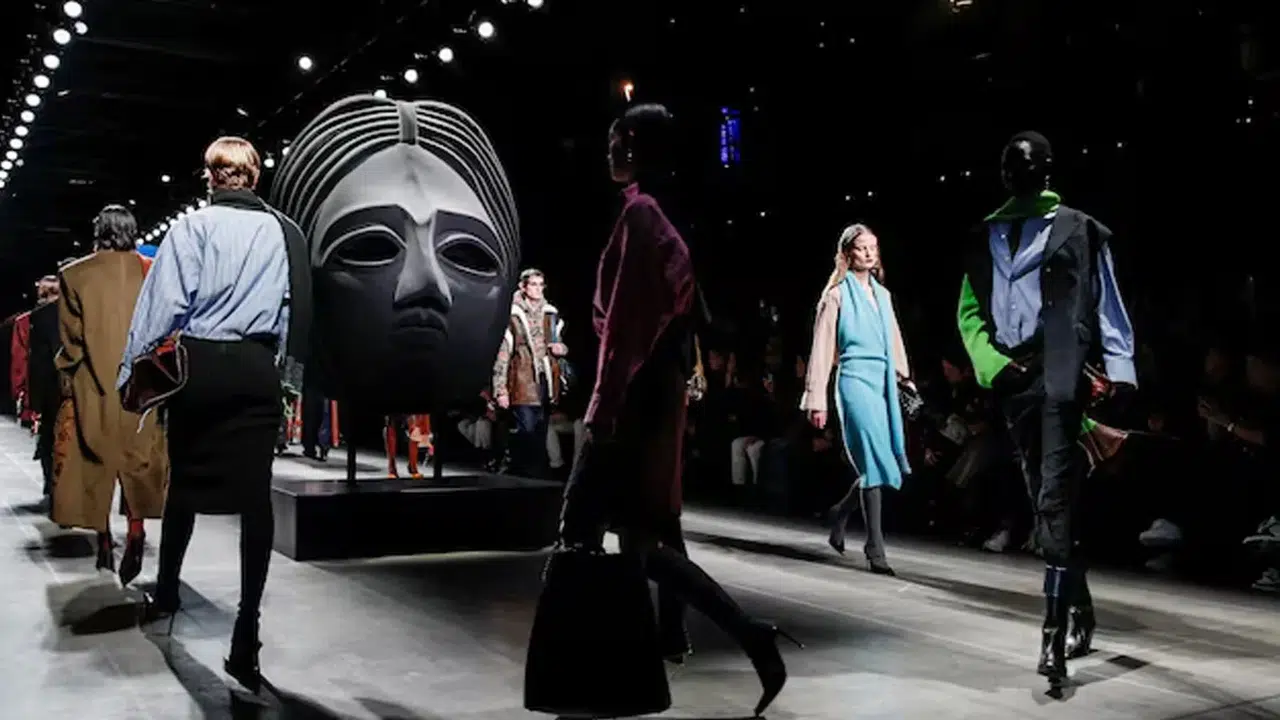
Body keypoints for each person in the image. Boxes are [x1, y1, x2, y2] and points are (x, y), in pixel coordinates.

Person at [556, 103, 797, 717]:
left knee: (580, 530)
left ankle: (578, 680)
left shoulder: (643, 216)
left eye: (617, 139)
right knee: (643, 534)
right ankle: (747, 636)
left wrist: (602, 407)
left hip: (633, 395)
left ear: (638, 146)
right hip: (654, 393)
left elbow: (627, 329)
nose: (609, 149)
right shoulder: (664, 214)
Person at [120, 136, 311, 695]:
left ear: (210, 176)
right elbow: (293, 311)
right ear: (254, 177)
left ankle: (168, 591)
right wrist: (289, 380)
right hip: (254, 368)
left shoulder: (191, 229)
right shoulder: (284, 232)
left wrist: (131, 369)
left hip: (200, 366)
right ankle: (246, 632)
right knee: (256, 498)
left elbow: (164, 305)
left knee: (184, 482)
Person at [956, 131, 1136, 686]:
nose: (1017, 172)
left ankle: (1053, 636)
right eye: (1010, 164)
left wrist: (1121, 368)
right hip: (1012, 380)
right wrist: (991, 364)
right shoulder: (986, 233)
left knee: (1053, 499)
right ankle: (1080, 607)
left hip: (1060, 366)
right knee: (1043, 501)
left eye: (1027, 163)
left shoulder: (1080, 229)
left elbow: (1107, 298)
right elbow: (969, 310)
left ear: (1048, 169)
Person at [52, 206, 169, 583]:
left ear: (98, 231)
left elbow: (72, 341)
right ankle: (136, 531)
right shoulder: (152, 272)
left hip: (93, 381)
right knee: (139, 458)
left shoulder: (74, 275)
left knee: (95, 456)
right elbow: (166, 327)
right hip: (141, 383)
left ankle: (103, 536)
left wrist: (65, 372)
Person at [801, 223, 913, 575]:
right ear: (847, 253)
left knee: (880, 462)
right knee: (875, 464)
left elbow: (893, 338)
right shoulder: (836, 295)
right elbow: (821, 348)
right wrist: (816, 399)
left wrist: (904, 378)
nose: (869, 253)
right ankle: (875, 548)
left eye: (873, 247)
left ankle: (841, 512)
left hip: (882, 382)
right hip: (853, 381)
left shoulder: (883, 295)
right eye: (862, 247)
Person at [492, 269, 568, 478]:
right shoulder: (513, 316)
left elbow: (558, 343)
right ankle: (515, 470)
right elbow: (503, 354)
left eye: (541, 285)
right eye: (533, 284)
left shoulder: (550, 314)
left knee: (540, 431)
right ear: (523, 287)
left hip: (546, 380)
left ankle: (533, 475)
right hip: (522, 380)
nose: (538, 289)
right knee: (525, 429)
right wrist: (500, 389)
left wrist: (561, 348)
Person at [27, 276, 61, 498]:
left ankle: (51, 482)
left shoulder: (40, 317)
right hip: (77, 386)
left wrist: (35, 402)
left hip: (51, 389)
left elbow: (37, 362)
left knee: (49, 436)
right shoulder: (84, 313)